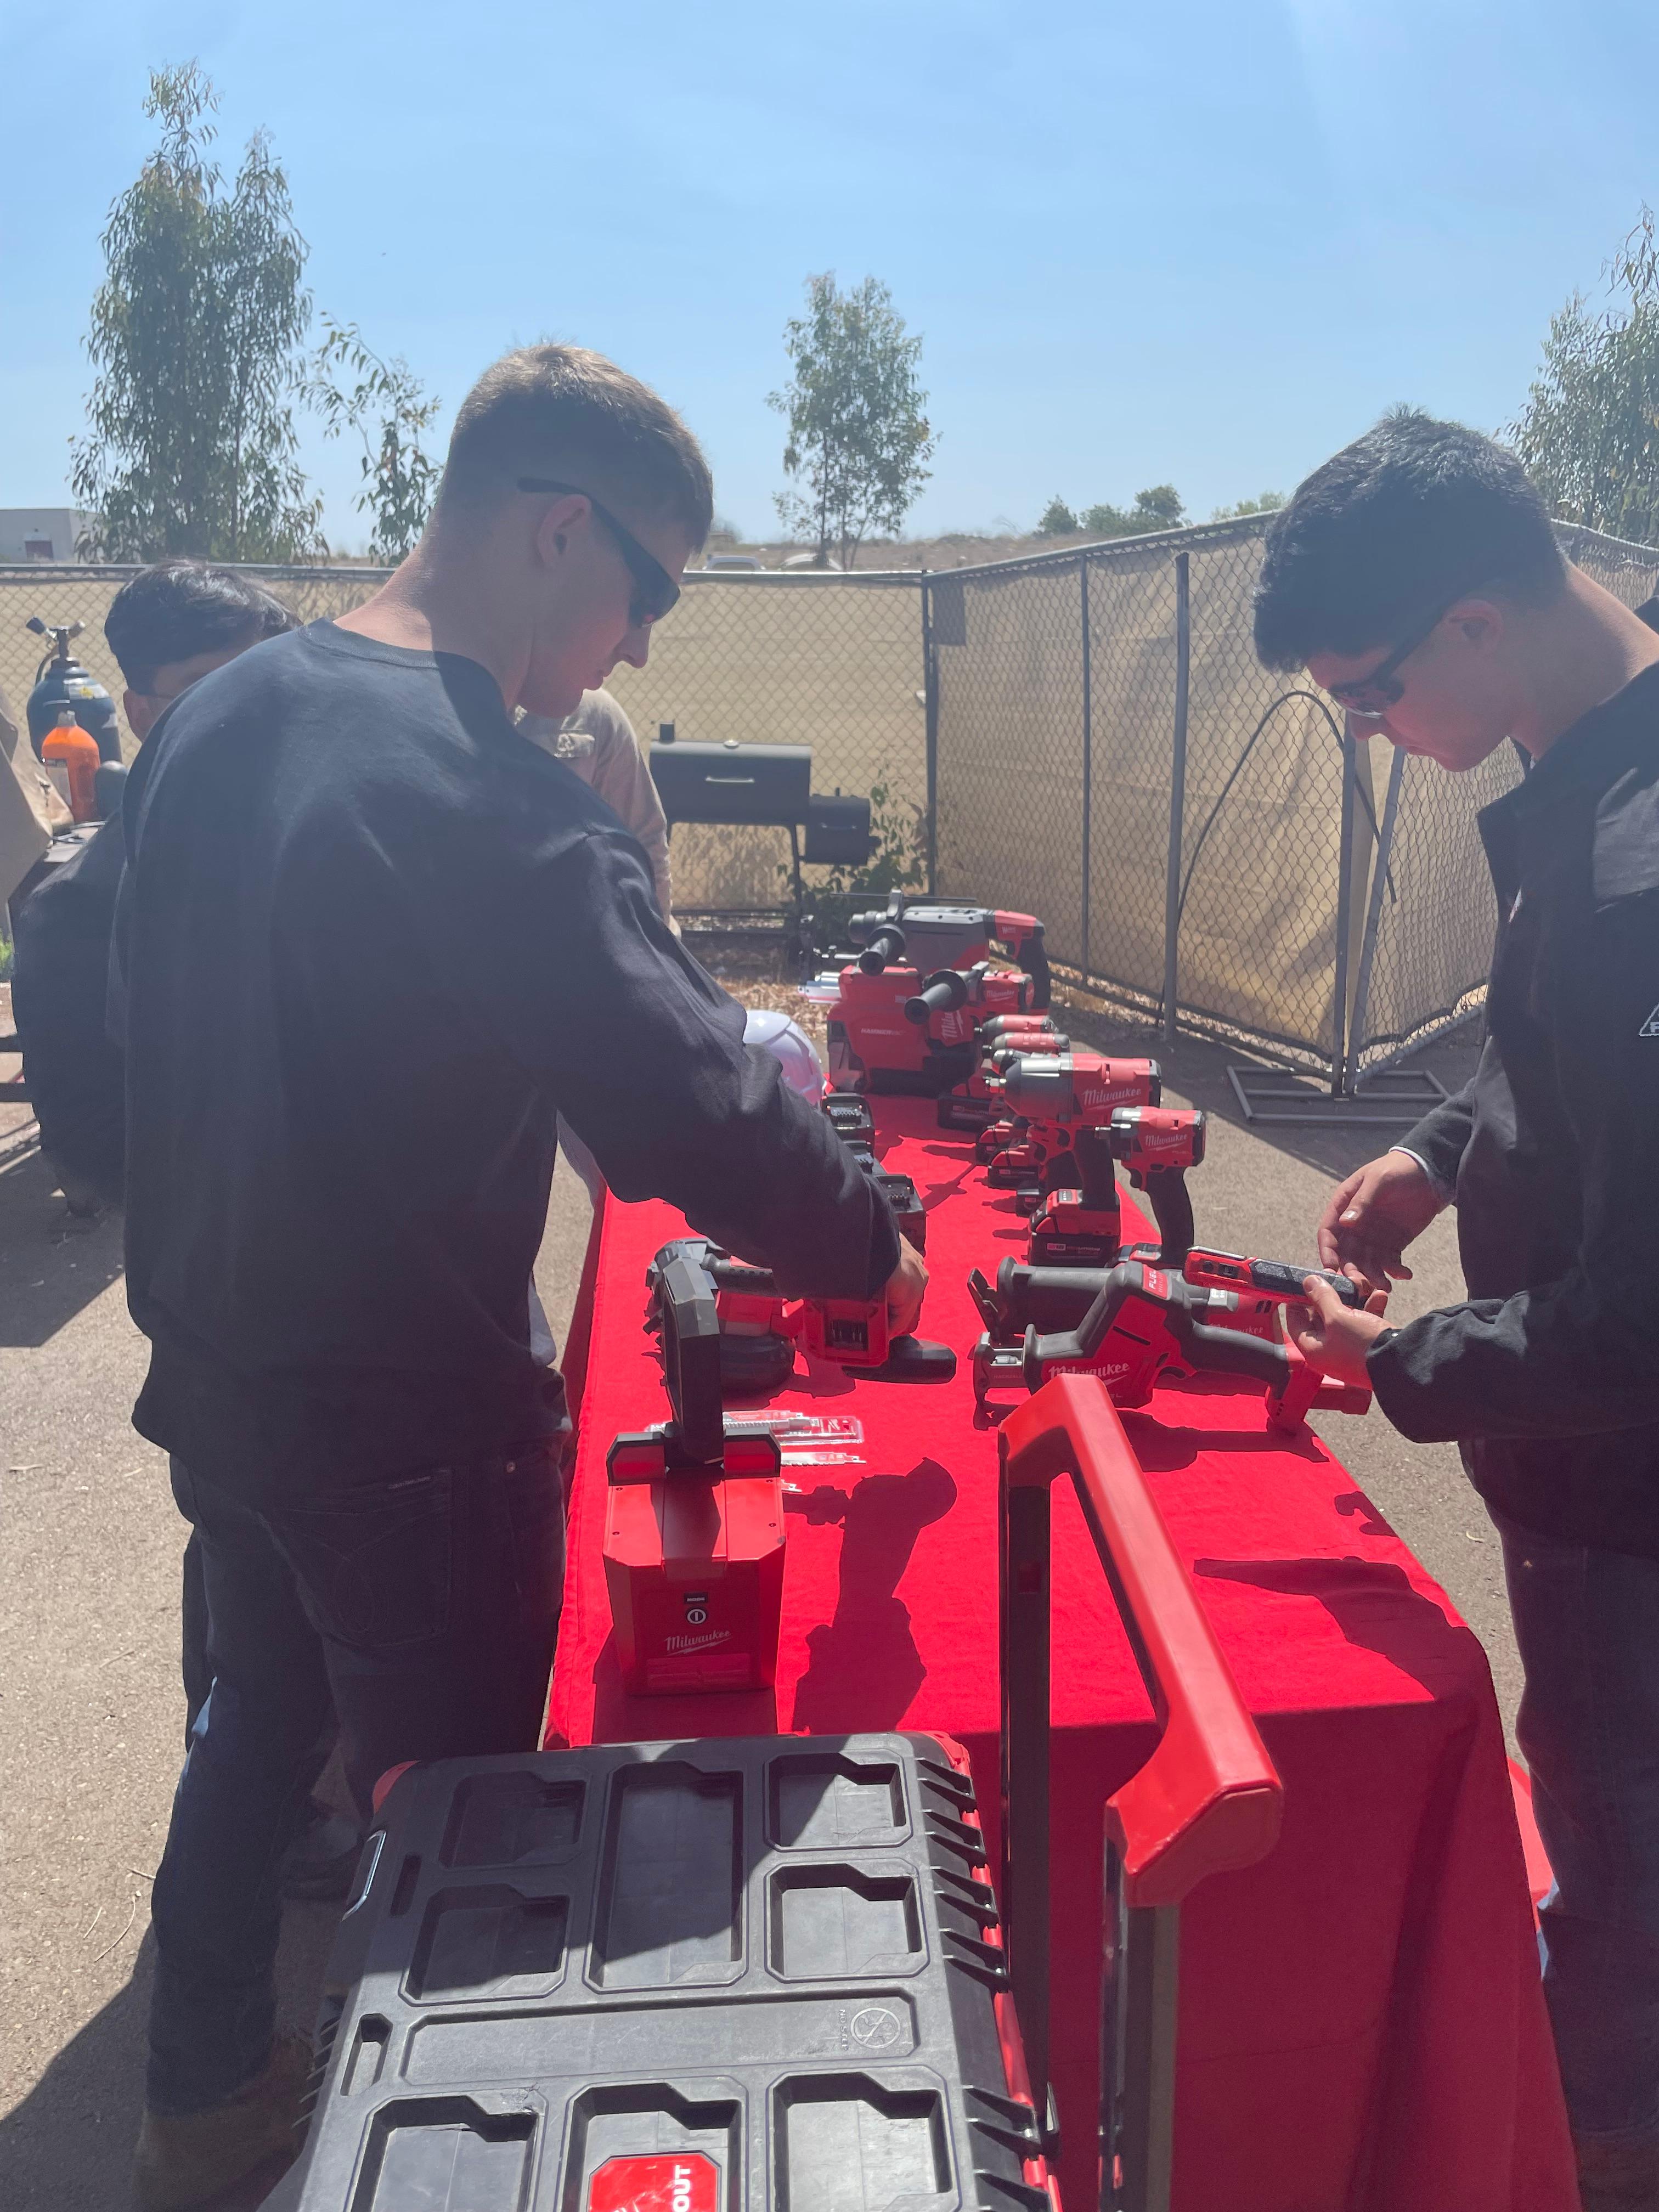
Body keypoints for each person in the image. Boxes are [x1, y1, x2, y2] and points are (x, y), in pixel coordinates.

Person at [118, 341, 924, 2211]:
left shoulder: (224, 721)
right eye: (645, 594)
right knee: (471, 1829)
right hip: (404, 1410)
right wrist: (869, 1249)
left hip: (221, 1366)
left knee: (256, 1718)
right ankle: (454, 2152)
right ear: (562, 531)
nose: (637, 652)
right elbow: (703, 1104)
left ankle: (202, 2083)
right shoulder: (495, 801)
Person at [1254, 410, 1659, 2212]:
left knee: (1619, 1823)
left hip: (1622, 1491)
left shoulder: (1645, 849)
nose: (1370, 734)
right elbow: (1546, 1051)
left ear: (1474, 626)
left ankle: (1602, 2132)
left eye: (1366, 692)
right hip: (1578, 1462)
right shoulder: (1590, 759)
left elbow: (1642, 1326)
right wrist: (1433, 1151)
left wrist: (1392, 1367)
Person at [12, 562, 298, 1213]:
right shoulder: (78, 915)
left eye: (277, 689)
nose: (255, 719)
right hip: (225, 1263)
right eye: (211, 691)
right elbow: (94, 1157)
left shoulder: (341, 850)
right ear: (140, 714)